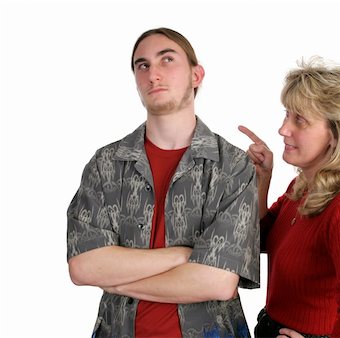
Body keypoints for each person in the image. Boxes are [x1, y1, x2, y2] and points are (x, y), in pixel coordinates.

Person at [67, 27, 260, 338]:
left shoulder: (233, 166)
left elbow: (218, 282)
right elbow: (84, 267)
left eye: (166, 60)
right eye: (142, 65)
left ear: (196, 76)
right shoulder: (106, 164)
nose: (153, 74)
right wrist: (183, 255)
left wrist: (117, 281)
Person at [239, 57, 340, 338]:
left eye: (300, 120)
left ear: (335, 134)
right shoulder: (303, 185)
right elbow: (262, 240)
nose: (283, 129)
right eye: (286, 114)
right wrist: (262, 180)